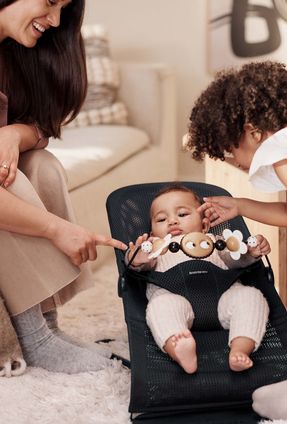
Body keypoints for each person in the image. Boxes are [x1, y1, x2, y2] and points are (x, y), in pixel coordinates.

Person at [186, 60, 287, 420]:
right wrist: (241, 205)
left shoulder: (280, 146)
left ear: (253, 132)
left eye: (231, 150)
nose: (234, 161)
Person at [0, 0, 127, 375]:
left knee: (43, 166)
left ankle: (47, 329)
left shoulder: (14, 53)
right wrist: (60, 230)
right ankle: (36, 340)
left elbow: (40, 127)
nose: (55, 20)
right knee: (12, 178)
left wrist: (13, 134)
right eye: (50, 2)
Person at [127, 185, 270, 374]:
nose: (172, 221)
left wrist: (250, 252)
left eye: (183, 214)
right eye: (161, 219)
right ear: (153, 233)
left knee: (250, 296)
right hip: (175, 298)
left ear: (204, 225)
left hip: (222, 297)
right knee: (161, 306)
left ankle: (240, 350)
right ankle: (180, 350)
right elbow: (139, 266)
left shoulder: (216, 240)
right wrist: (136, 258)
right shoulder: (155, 247)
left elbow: (237, 260)